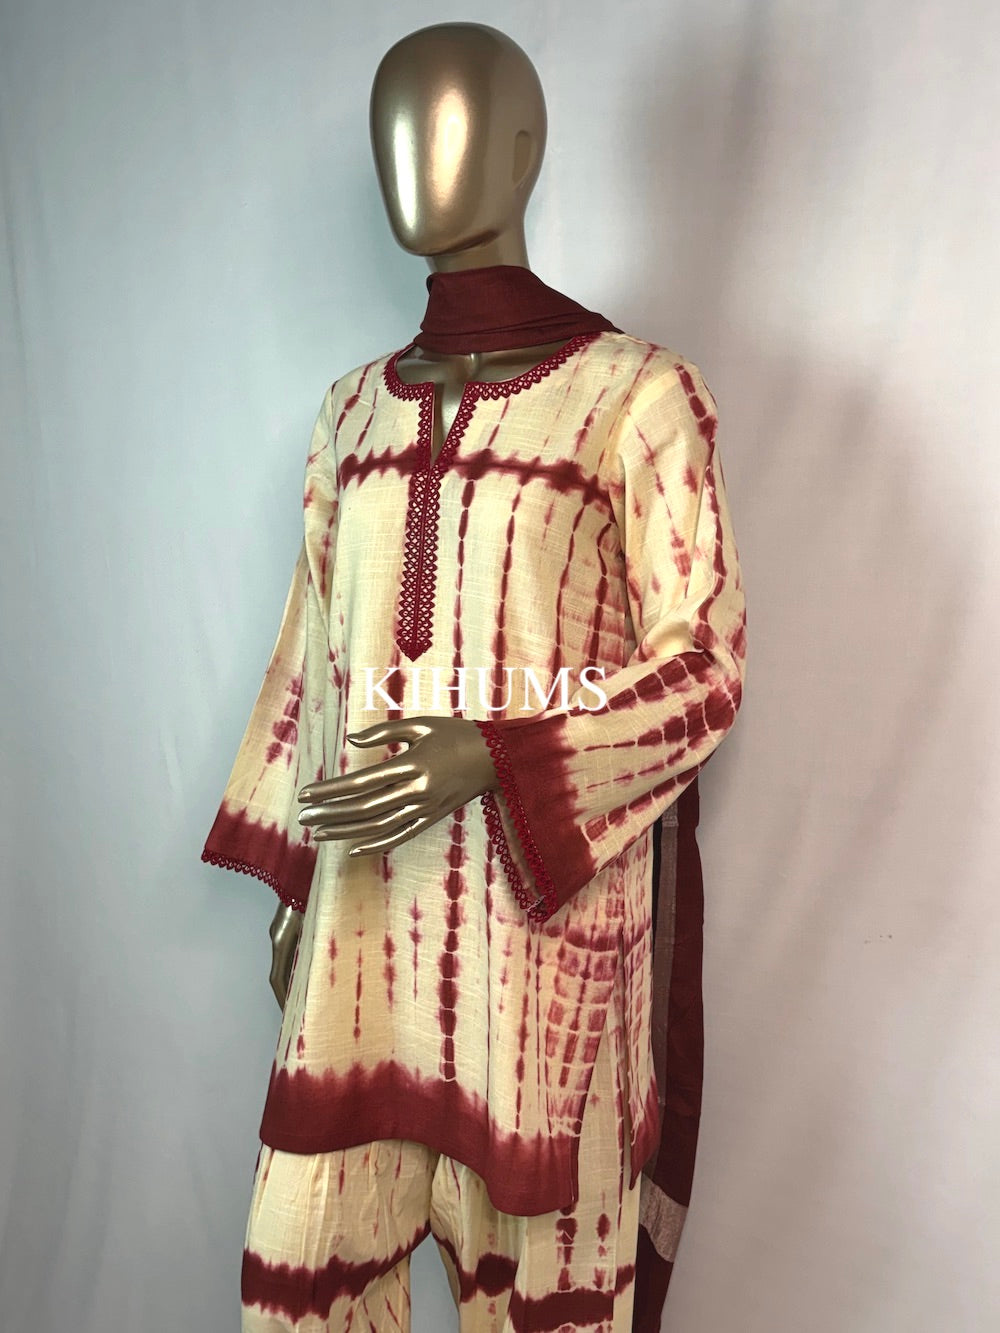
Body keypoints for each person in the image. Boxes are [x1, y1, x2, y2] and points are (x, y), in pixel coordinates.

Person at [202, 21, 747, 1333]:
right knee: (299, 1287)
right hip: (362, 945)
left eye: (444, 125)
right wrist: (299, 883)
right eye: (392, 129)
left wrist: (494, 754)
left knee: (543, 1305)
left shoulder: (635, 396)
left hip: (541, 963)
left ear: (523, 148)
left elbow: (705, 665)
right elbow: (315, 649)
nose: (411, 161)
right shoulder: (351, 410)